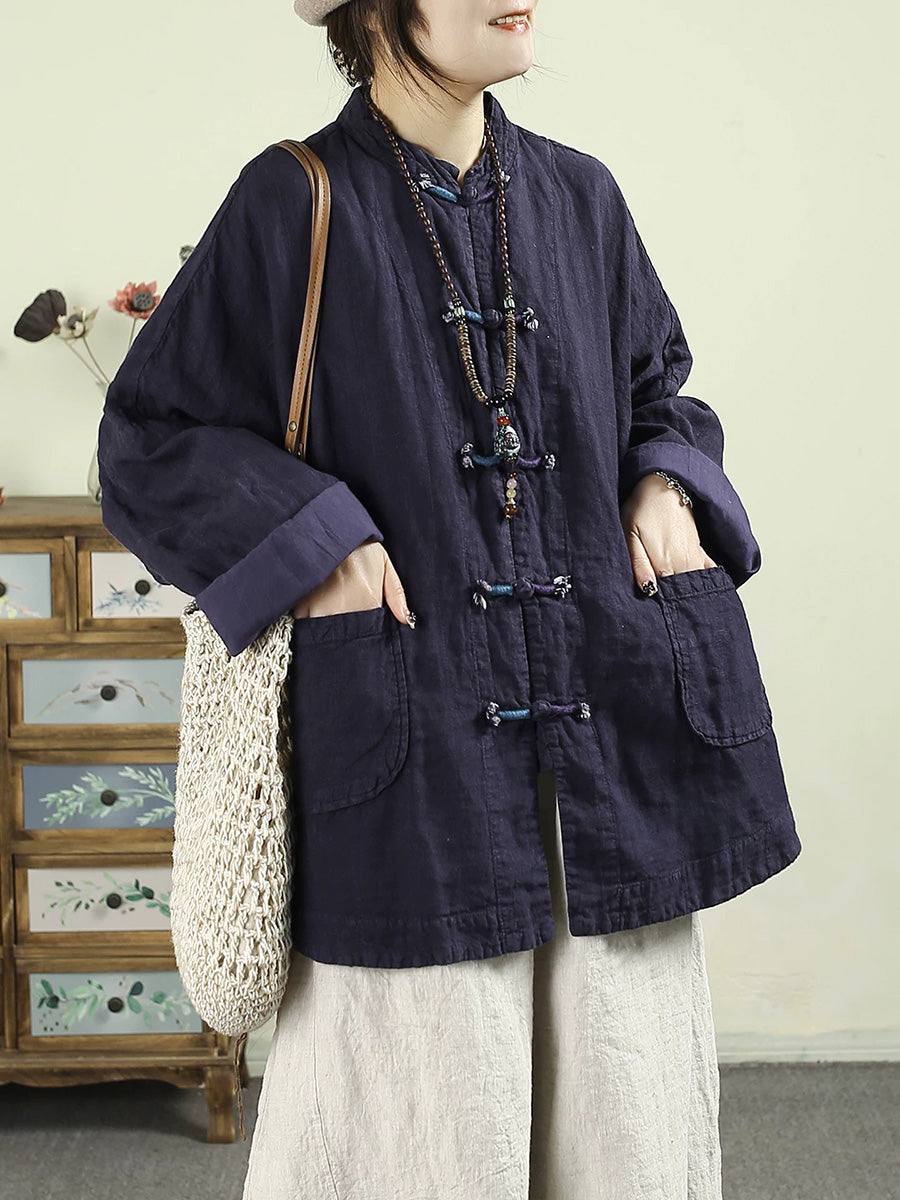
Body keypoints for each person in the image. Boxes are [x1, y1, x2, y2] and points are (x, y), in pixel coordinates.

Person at [97, 0, 803, 1195]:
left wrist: (668, 485)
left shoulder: (581, 196)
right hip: (411, 746)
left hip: (606, 732)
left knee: (625, 1116)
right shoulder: (293, 200)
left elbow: (662, 396)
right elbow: (148, 441)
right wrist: (315, 540)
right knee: (420, 1135)